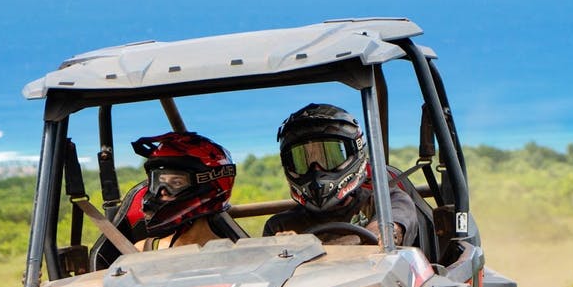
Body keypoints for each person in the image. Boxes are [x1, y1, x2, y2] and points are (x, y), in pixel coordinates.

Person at [263, 103, 419, 246]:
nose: (316, 170)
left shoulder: (388, 201)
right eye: (302, 160)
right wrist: (280, 251)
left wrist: (303, 250)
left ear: (354, 152)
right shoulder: (279, 226)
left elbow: (385, 234)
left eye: (330, 158)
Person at [130, 131, 240, 250]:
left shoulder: (234, 253)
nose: (162, 191)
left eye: (176, 183)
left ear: (207, 185)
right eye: (159, 182)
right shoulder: (143, 249)